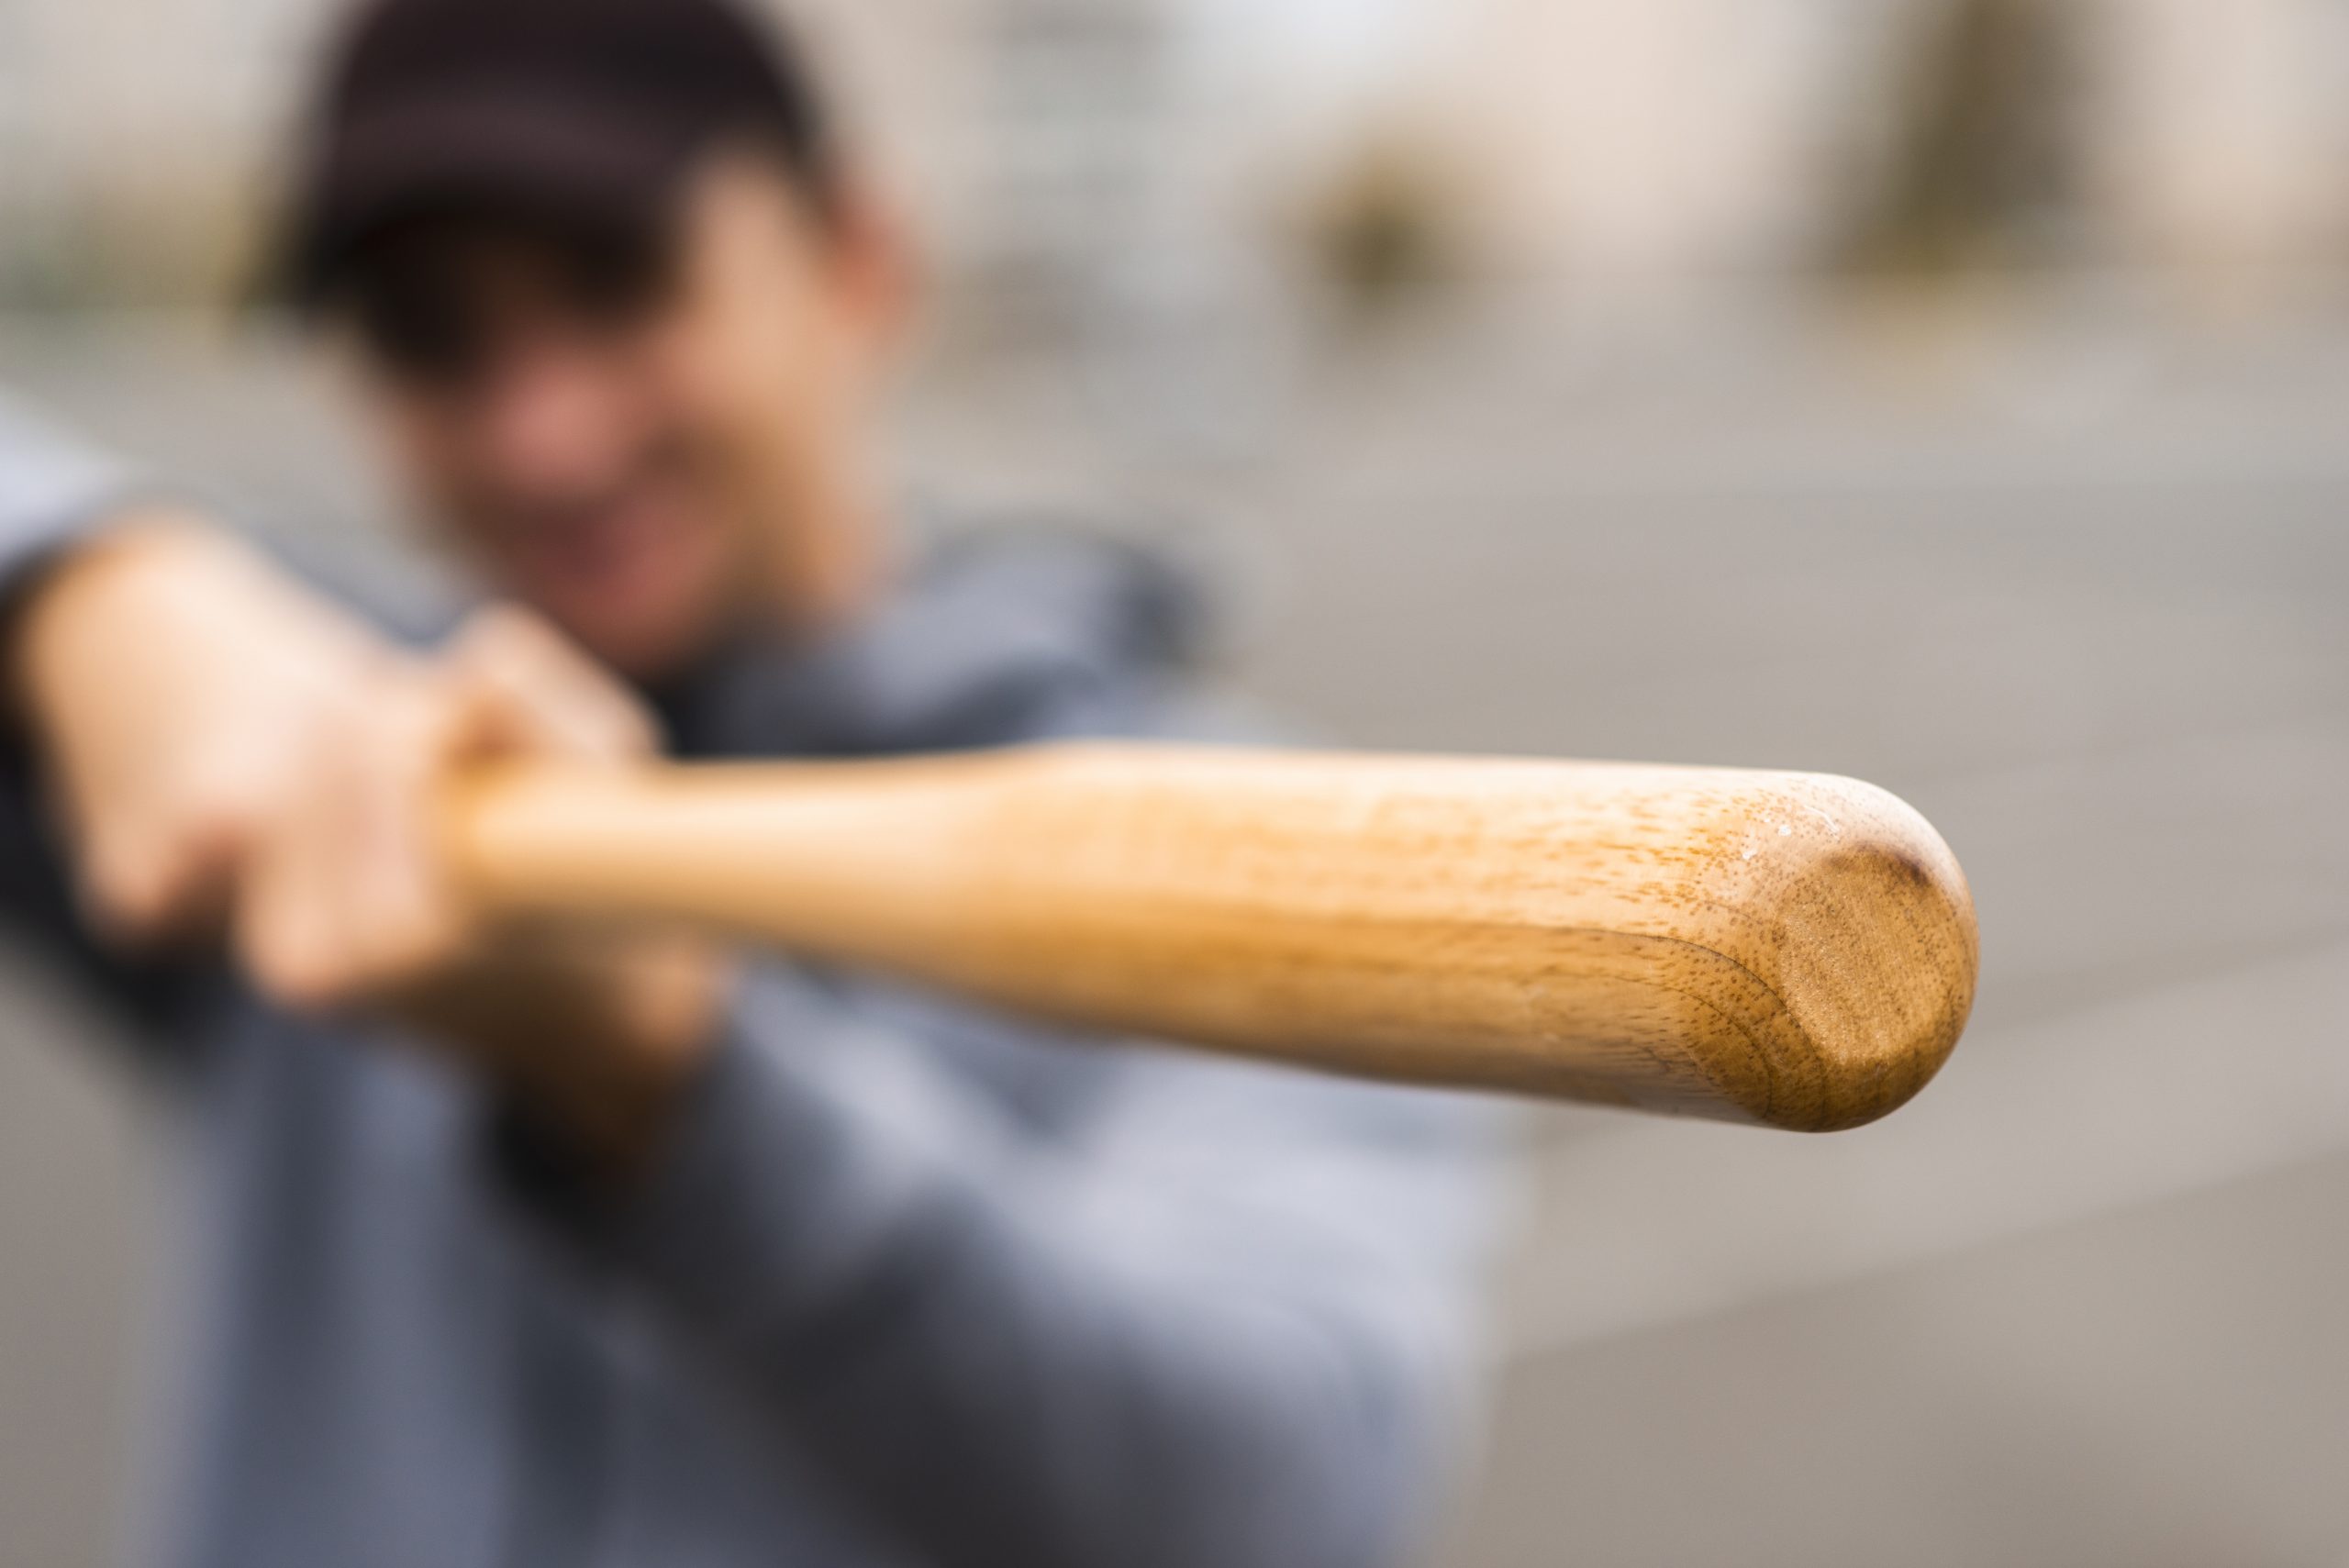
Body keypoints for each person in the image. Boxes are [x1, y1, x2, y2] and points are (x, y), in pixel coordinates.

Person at [0, 1, 1505, 1565]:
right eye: (428, 334)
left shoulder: (1250, 838)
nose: (546, 436)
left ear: (855, 254)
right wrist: (87, 582)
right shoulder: (331, 757)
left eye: (617, 280)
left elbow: (1267, 1507)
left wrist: (676, 1071)